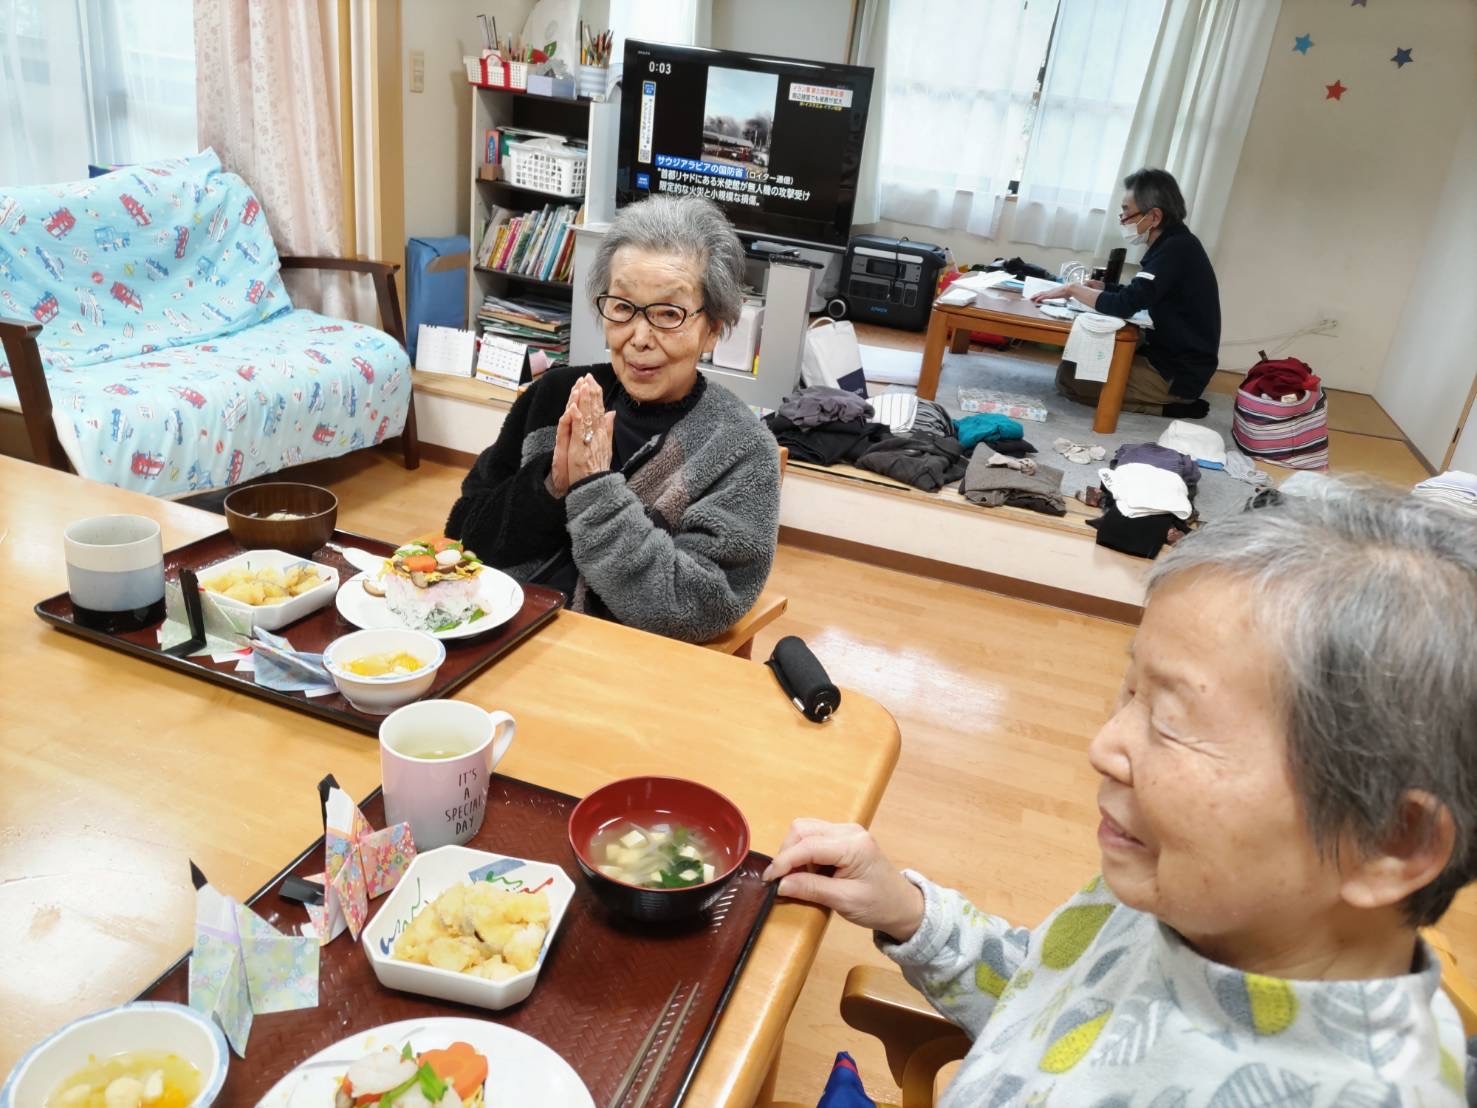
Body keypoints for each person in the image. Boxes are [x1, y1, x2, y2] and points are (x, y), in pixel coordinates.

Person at [765, 485, 1477, 1104]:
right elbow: (1049, 1002)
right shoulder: (1185, 895)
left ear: (1390, 839)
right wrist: (908, 913)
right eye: (1129, 689)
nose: (1103, 745)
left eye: (1171, 719)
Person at [446, 194, 780, 643]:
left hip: (620, 665)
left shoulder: (738, 447)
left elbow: (699, 604)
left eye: (668, 313)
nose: (639, 338)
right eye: (623, 308)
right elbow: (466, 532)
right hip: (498, 630)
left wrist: (594, 493)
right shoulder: (555, 396)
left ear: (713, 328)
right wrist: (550, 485)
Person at [1031, 167, 1221, 418]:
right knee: (1075, 364)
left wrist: (1072, 289)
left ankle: (1172, 405)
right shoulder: (1175, 243)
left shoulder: (1175, 249)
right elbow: (1143, 293)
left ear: (1154, 216)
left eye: (1126, 211)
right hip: (1166, 354)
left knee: (1070, 380)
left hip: (1176, 372)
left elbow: (1125, 304)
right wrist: (1104, 288)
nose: (1122, 219)